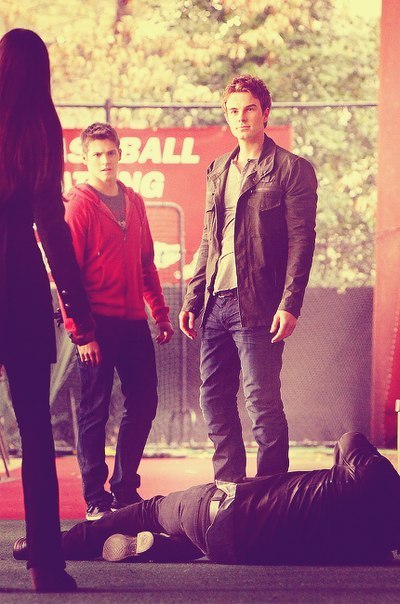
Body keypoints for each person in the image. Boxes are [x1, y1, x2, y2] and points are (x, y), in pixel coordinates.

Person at [13, 432, 400, 566]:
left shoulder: (378, 480)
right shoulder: (374, 552)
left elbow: (349, 438)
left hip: (216, 508)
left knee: (149, 509)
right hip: (235, 552)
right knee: (214, 538)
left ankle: (49, 546)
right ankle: (163, 548)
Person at [179, 74, 318, 482]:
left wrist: (290, 304)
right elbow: (209, 239)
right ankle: (230, 487)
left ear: (265, 112)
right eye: (234, 111)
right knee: (213, 398)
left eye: (250, 109)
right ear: (227, 116)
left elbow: (302, 242)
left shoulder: (291, 169)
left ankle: (270, 494)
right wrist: (193, 298)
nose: (241, 118)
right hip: (215, 303)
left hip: (258, 304)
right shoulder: (218, 169)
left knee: (262, 403)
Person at [0, 28, 98, 592]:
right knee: (36, 428)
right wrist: (78, 315)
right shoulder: (42, 125)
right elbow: (52, 229)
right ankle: (45, 565)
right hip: (21, 287)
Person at [62, 122, 174, 521]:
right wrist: (81, 333)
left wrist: (160, 313)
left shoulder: (135, 201)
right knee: (94, 411)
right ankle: (95, 498)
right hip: (95, 326)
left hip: (133, 323)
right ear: (84, 158)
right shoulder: (79, 205)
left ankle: (124, 489)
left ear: (120, 154)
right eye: (96, 154)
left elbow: (146, 264)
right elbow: (67, 275)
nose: (105, 160)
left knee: (144, 402)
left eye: (110, 153)